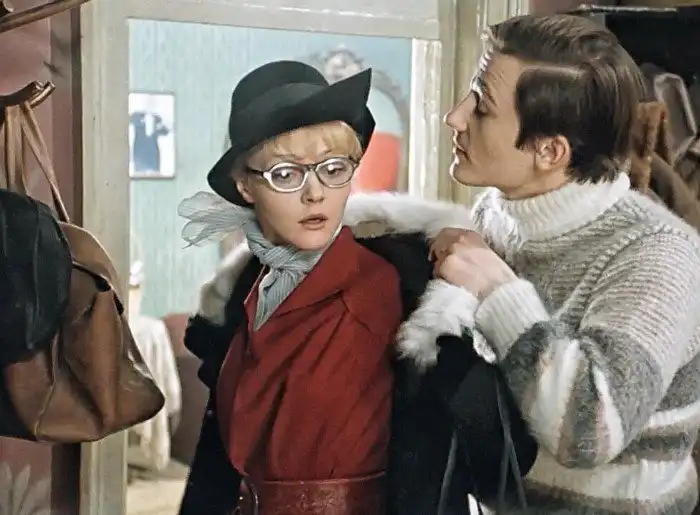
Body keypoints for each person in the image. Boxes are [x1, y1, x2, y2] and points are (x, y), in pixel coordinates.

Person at [363, 13, 700, 515]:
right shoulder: (498, 213)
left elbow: (586, 434)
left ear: (549, 150)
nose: (455, 117)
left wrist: (497, 289)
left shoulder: (658, 256)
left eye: (481, 107)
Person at [176, 60, 537, 515]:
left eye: (333, 169)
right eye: (285, 174)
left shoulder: (395, 294)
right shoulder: (243, 291)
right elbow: (220, 465)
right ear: (245, 186)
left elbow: (500, 460)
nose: (315, 194)